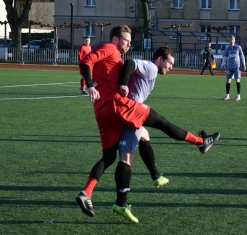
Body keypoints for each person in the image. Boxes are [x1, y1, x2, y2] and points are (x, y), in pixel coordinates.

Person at [75, 25, 220, 223]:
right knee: (160, 121)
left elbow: (114, 67)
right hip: (118, 105)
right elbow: (86, 60)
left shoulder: (115, 57)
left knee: (109, 157)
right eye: (125, 40)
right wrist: (90, 85)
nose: (128, 43)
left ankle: (86, 193)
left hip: (102, 111)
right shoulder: (110, 48)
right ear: (115, 39)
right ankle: (199, 142)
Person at [113, 46, 176, 223]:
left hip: (131, 112)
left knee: (145, 136)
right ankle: (121, 204)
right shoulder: (151, 67)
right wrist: (124, 83)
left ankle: (156, 176)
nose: (171, 67)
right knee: (125, 159)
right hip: (130, 114)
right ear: (160, 59)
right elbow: (130, 62)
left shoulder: (152, 69)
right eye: (169, 63)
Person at [222, 35, 246, 101]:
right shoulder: (227, 48)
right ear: (229, 40)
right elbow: (224, 57)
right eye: (230, 39)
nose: (231, 40)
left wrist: (244, 64)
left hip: (236, 67)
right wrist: (222, 65)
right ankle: (227, 96)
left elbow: (242, 56)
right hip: (229, 67)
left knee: (237, 80)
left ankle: (238, 96)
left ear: (234, 40)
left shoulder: (238, 47)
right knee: (228, 80)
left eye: (232, 39)